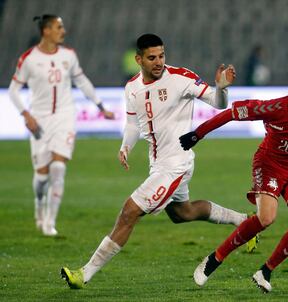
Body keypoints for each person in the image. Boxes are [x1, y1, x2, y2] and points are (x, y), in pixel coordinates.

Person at [61, 33, 257, 289]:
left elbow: (218, 104)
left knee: (129, 212)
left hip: (177, 164)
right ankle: (244, 221)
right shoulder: (132, 87)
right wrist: (126, 146)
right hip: (157, 163)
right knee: (181, 213)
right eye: (152, 57)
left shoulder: (181, 78)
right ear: (138, 59)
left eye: (162, 55)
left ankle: (83, 274)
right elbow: (133, 122)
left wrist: (222, 88)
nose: (158, 62)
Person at [179, 73, 288, 293]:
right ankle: (214, 259)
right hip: (269, 165)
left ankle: (265, 271)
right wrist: (198, 134)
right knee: (266, 218)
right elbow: (231, 114)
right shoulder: (272, 108)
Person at [8, 15, 115, 236]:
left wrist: (100, 106)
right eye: (59, 27)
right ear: (46, 30)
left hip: (65, 117)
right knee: (42, 176)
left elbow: (82, 81)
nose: (63, 31)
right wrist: (26, 115)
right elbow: (13, 90)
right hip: (39, 119)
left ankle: (50, 222)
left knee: (58, 168)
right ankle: (39, 203)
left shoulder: (69, 55)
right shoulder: (28, 59)